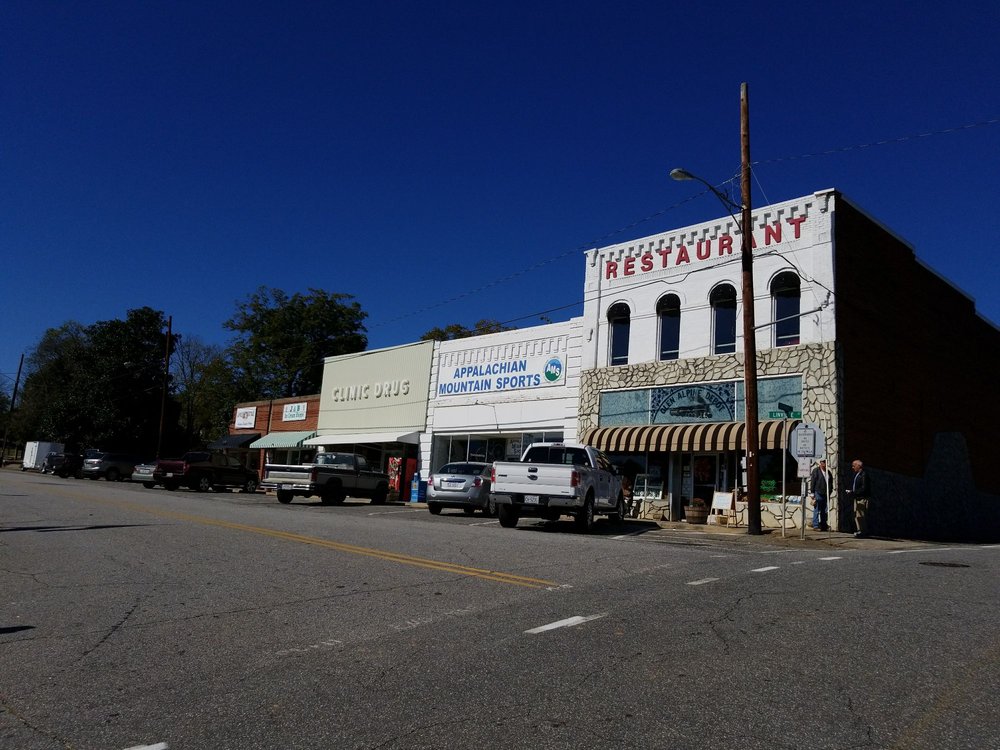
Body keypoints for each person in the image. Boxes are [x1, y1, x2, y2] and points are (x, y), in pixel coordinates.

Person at [845, 458, 872, 537]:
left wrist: (853, 492)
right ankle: (860, 530)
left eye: (854, 466)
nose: (852, 467)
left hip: (862, 498)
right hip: (857, 497)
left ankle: (862, 531)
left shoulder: (864, 474)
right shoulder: (857, 474)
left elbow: (864, 488)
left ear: (859, 466)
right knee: (857, 515)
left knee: (861, 515)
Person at [808, 458, 831, 531]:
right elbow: (813, 482)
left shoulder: (828, 472)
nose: (824, 463)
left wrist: (830, 491)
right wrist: (812, 493)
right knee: (817, 509)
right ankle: (816, 525)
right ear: (820, 463)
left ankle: (824, 524)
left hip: (825, 493)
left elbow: (831, 482)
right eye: (823, 462)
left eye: (825, 462)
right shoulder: (816, 471)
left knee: (824, 510)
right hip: (818, 492)